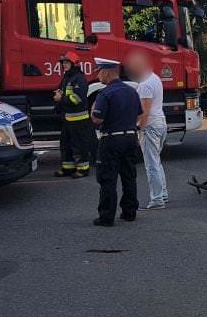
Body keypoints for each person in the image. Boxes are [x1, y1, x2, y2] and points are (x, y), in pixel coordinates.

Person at [89, 58, 142, 227]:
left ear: (106, 72)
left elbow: (97, 119)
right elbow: (139, 114)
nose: (98, 76)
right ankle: (129, 212)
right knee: (129, 176)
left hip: (111, 139)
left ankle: (106, 216)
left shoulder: (105, 93)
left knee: (107, 178)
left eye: (99, 72)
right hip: (131, 137)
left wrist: (92, 110)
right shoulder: (131, 91)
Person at [125, 50, 168, 210]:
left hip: (150, 126)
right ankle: (162, 194)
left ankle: (157, 200)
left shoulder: (144, 85)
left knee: (151, 165)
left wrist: (138, 130)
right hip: (161, 122)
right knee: (156, 161)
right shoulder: (155, 78)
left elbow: (144, 112)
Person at [53, 51, 96, 178]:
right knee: (65, 144)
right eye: (63, 63)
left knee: (79, 145)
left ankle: (83, 169)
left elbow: (77, 99)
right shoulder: (67, 77)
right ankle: (68, 167)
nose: (64, 65)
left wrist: (61, 98)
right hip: (68, 118)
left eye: (66, 62)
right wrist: (58, 95)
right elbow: (62, 90)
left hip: (79, 119)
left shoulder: (79, 79)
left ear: (74, 64)